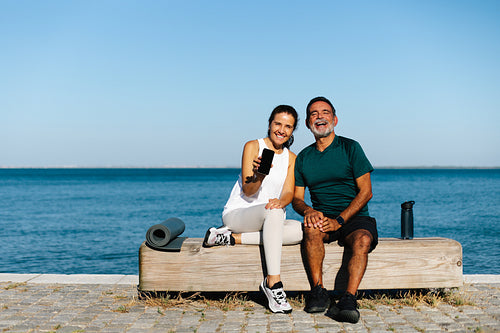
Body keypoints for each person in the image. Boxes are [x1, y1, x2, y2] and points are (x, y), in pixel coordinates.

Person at [203, 105, 303, 314]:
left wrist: (280, 202)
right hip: (238, 214)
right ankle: (273, 284)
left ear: (293, 131)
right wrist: (259, 176)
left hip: (269, 216)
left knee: (300, 230)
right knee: (274, 213)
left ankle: (230, 239)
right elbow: (248, 192)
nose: (281, 130)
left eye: (288, 126)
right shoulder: (253, 146)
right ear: (269, 124)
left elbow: (287, 193)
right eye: (278, 124)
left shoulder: (291, 158)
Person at [292, 96, 378, 324]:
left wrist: (340, 220)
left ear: (335, 119)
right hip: (324, 218)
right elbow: (297, 199)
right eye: (313, 113)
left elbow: (366, 192)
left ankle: (349, 299)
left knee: (362, 239)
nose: (319, 116)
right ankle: (319, 292)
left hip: (354, 218)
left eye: (325, 112)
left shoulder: (351, 148)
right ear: (309, 123)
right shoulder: (303, 158)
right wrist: (308, 211)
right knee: (310, 229)